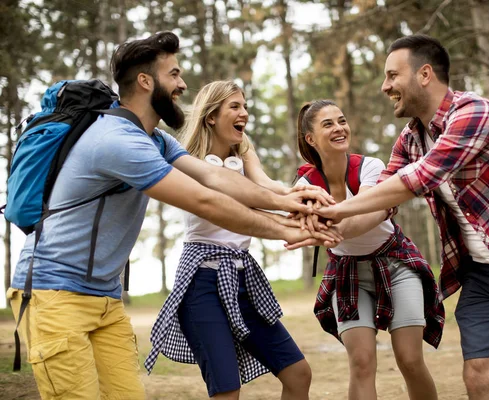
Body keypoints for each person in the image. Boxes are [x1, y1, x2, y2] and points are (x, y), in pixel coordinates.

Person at [7, 32, 339, 400]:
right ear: (147, 82)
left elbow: (215, 179)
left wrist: (292, 203)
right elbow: (205, 202)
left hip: (105, 299)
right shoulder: (118, 140)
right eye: (174, 74)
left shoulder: (157, 140)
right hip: (55, 293)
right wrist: (285, 229)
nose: (182, 84)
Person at [314, 34, 489, 400]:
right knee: (478, 377)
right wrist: (326, 228)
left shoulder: (475, 113)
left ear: (425, 74)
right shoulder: (410, 138)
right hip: (480, 275)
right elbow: (378, 200)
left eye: (392, 76)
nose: (385, 87)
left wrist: (334, 210)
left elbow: (419, 178)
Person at [145, 81, 336, 400]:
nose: (244, 113)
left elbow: (263, 184)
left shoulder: (243, 150)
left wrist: (294, 194)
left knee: (298, 374)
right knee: (227, 391)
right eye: (234, 106)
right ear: (210, 116)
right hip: (202, 282)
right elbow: (225, 196)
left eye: (245, 106)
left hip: (242, 277)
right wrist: (285, 210)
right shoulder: (190, 161)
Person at [287, 99, 444, 400]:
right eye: (328, 124)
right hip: (348, 272)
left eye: (341, 120)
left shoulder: (370, 167)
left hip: (395, 264)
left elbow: (369, 214)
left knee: (409, 359)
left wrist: (329, 229)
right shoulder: (306, 184)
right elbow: (298, 224)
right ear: (310, 138)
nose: (339, 128)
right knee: (361, 363)